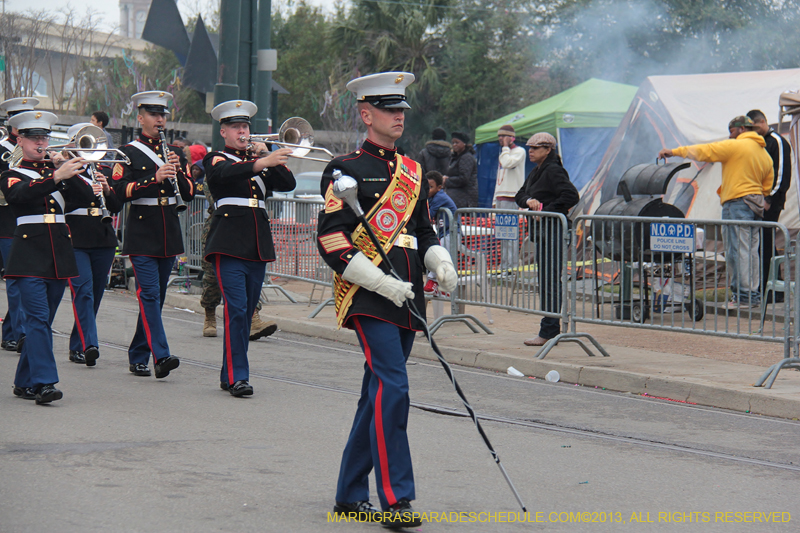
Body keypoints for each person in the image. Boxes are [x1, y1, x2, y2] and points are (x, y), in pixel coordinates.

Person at [317, 71, 457, 526]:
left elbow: (423, 230)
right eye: (389, 110)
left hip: (408, 290)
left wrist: (440, 261)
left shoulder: (413, 171)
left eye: (401, 110)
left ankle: (349, 493)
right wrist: (380, 282)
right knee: (395, 387)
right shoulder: (344, 169)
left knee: (376, 392)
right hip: (368, 292)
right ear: (366, 114)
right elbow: (333, 240)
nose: (399, 117)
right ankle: (397, 499)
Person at [0, 110, 96, 403]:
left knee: (43, 321)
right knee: (39, 319)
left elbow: (88, 198)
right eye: (34, 138)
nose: (40, 142)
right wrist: (56, 175)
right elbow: (20, 196)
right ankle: (44, 382)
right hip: (28, 254)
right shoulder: (11, 173)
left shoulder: (57, 171)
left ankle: (22, 381)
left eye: (44, 137)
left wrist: (68, 168)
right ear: (20, 139)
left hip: (58, 253)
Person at [202, 100, 293, 397]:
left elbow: (288, 182)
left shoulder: (259, 162)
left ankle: (228, 372)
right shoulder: (217, 158)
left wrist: (267, 154)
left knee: (245, 310)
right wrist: (259, 163)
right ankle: (239, 375)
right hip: (227, 243)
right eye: (236, 127)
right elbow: (224, 175)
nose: (243, 132)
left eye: (245, 127)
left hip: (256, 244)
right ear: (224, 132)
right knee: (237, 309)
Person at [111, 91, 195, 378]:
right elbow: (119, 192)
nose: (160, 120)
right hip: (142, 230)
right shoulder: (128, 152)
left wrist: (178, 171)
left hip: (168, 230)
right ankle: (161, 355)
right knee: (148, 294)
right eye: (153, 114)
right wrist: (153, 179)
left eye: (163, 115)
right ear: (140, 117)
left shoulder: (174, 152)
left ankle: (138, 354)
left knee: (155, 299)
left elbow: (190, 193)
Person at [659, 116, 773, 308]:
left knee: (737, 251)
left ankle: (742, 297)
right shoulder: (764, 154)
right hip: (755, 206)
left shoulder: (736, 146)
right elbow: (767, 186)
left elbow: (706, 151)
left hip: (736, 204)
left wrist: (674, 152)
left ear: (742, 129)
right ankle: (752, 295)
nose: (730, 134)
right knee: (751, 252)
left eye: (732, 130)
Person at [61, 123, 124, 366]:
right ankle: (90, 344)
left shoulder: (101, 172)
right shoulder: (66, 172)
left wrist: (107, 190)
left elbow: (116, 206)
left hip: (103, 238)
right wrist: (87, 185)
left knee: (95, 295)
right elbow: (71, 197)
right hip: (76, 237)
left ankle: (78, 344)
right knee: (83, 292)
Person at [199, 162, 279, 341]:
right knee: (211, 278)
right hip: (220, 227)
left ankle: (253, 318)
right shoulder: (219, 167)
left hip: (247, 227)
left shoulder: (254, 169)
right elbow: (215, 196)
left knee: (247, 279)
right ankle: (209, 313)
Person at [515, 132, 579, 347]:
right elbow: (520, 194)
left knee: (550, 282)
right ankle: (549, 329)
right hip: (544, 232)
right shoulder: (537, 171)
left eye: (535, 148)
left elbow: (571, 195)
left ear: (548, 149)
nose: (530, 151)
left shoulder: (552, 170)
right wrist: (530, 200)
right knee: (546, 281)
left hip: (554, 231)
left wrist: (546, 211)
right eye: (529, 147)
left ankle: (549, 331)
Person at [0, 97, 38, 353]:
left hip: (31, 221)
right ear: (14, 124)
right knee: (15, 279)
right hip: (6, 220)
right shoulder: (2, 148)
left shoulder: (37, 148)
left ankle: (11, 331)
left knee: (27, 279)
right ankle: (20, 333)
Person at [747, 109, 793, 302]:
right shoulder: (758, 143)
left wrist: (770, 199)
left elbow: (781, 173)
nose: (754, 131)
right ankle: (770, 287)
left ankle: (774, 290)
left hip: (770, 201)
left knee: (765, 243)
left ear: (763, 122)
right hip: (759, 199)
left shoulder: (777, 141)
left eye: (756, 127)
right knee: (763, 244)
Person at [493, 124, 527, 272]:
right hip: (501, 198)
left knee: (510, 235)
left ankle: (512, 268)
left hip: (511, 198)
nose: (501, 139)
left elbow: (508, 164)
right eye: (499, 136)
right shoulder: (504, 153)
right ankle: (504, 266)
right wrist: (494, 200)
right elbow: (499, 178)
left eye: (504, 136)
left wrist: (505, 148)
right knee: (502, 236)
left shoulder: (519, 152)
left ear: (511, 137)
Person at [423, 170, 458, 296]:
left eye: (431, 187)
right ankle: (441, 287)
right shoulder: (432, 197)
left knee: (440, 251)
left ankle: (432, 281)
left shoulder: (439, 197)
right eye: (426, 187)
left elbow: (429, 215)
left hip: (452, 233)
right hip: (443, 233)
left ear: (439, 187)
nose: (428, 190)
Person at [444, 131, 478, 208]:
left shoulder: (466, 158)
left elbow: (464, 179)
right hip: (457, 198)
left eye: (457, 142)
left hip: (465, 199)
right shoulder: (455, 158)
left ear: (464, 143)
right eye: (453, 143)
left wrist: (446, 181)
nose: (454, 145)